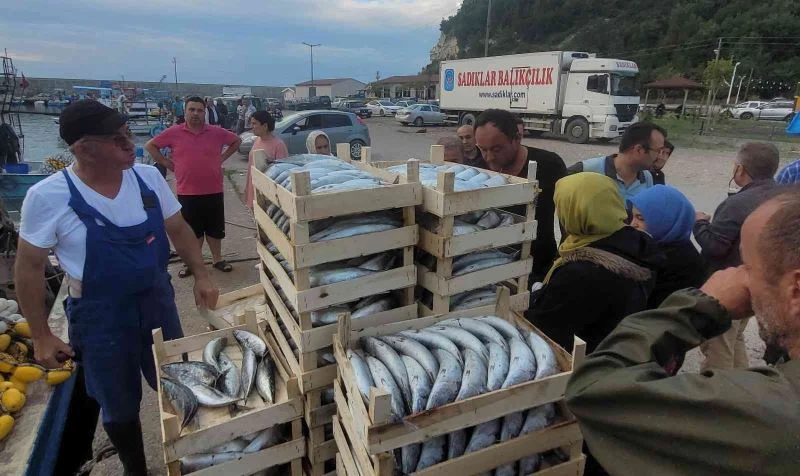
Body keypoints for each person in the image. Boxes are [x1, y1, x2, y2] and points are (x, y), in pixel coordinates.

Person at [15, 100, 218, 475]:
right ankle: (134, 467)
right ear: (84, 149)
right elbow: (28, 268)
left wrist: (202, 274)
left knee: (177, 380)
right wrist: (41, 336)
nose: (130, 143)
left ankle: (193, 455)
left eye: (128, 133)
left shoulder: (148, 178)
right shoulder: (47, 197)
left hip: (157, 303)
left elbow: (179, 230)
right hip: (100, 317)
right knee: (118, 404)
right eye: (117, 138)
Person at [564, 190, 800, 476]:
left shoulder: (770, 412)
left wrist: (700, 305)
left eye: (748, 268)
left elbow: (591, 389)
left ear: (795, 291)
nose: (738, 277)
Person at [525, 173, 661, 354]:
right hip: (620, 348)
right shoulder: (637, 242)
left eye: (562, 207)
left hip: (588, 359)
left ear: (574, 212)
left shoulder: (581, 273)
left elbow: (542, 324)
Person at [694, 142, 781, 370]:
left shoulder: (737, 203)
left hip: (732, 286)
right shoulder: (783, 197)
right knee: (735, 337)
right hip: (765, 284)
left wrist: (700, 223)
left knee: (718, 344)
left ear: (740, 169)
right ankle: (742, 384)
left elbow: (714, 246)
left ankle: (716, 390)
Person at [145, 96, 242, 277]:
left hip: (213, 189)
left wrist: (221, 158)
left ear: (205, 112)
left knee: (215, 229)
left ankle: (217, 260)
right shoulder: (174, 132)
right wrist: (167, 163)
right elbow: (151, 146)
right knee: (192, 231)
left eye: (199, 110)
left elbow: (237, 141)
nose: (196, 113)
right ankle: (193, 263)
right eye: (192, 109)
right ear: (185, 111)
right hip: (187, 191)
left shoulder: (216, 132)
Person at [474, 109, 567, 281]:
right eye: (482, 149)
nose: (489, 157)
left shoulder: (550, 165)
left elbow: (567, 220)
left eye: (496, 149)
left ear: (517, 138)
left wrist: (562, 262)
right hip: (488, 266)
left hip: (539, 266)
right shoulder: (477, 169)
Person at [628, 184, 706, 309]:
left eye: (640, 218)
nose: (633, 224)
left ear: (665, 220)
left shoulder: (676, 263)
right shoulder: (657, 248)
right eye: (632, 217)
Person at [567, 122, 666, 199]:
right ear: (638, 150)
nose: (661, 157)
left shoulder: (647, 178)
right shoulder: (585, 170)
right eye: (658, 151)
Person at [245, 110, 288, 210]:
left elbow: (282, 175)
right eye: (251, 123)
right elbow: (251, 167)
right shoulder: (257, 141)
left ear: (265, 125)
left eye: (254, 123)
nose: (252, 126)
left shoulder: (278, 145)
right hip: (253, 189)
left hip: (267, 195)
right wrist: (247, 189)